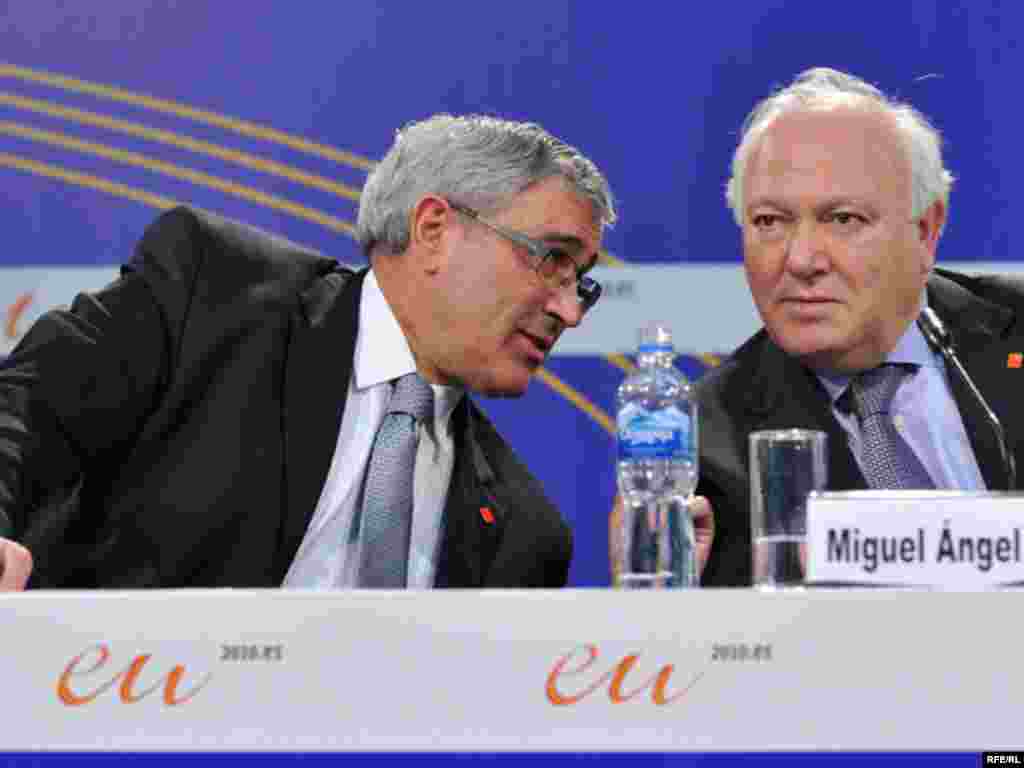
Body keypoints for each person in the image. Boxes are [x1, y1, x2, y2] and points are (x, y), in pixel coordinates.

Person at [0, 114, 617, 590]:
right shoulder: (212, 298)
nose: (569, 310)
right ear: (434, 230)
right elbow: (25, 410)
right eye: (551, 260)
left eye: (581, 282)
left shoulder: (526, 534)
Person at [698, 67, 1024, 586]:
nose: (801, 259)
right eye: (769, 222)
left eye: (843, 219)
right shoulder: (709, 446)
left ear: (926, 230)